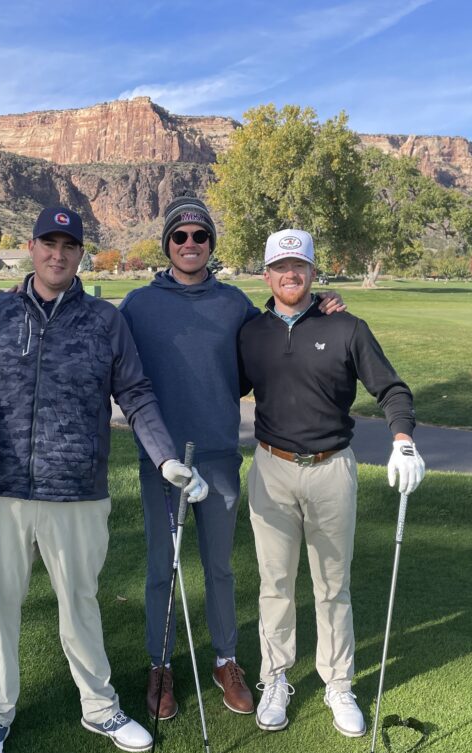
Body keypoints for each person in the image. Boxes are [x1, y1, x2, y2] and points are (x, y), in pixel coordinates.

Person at [0, 205, 208, 753]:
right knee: (0, 607)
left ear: (80, 254)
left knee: (80, 605)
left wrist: (165, 458)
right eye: (48, 244)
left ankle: (99, 707)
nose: (58, 255)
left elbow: (137, 394)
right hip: (2, 488)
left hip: (78, 490)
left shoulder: (105, 320)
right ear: (32, 248)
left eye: (69, 246)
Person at [119, 196, 346, 721]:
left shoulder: (234, 304)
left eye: (200, 236)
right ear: (167, 244)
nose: (191, 244)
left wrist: (323, 305)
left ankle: (226, 660)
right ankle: (160, 666)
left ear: (211, 244)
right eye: (180, 236)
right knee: (162, 567)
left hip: (218, 455)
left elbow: (282, 329)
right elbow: (103, 348)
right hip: (161, 460)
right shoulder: (138, 305)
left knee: (219, 567)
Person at [238, 229, 425, 737]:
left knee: (332, 585)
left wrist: (403, 440)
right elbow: (224, 388)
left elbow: (392, 389)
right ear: (267, 275)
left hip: (332, 468)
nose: (290, 275)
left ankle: (338, 683)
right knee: (275, 584)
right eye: (281, 267)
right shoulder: (252, 333)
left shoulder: (347, 327)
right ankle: (275, 677)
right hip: (272, 468)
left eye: (299, 266)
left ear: (313, 273)